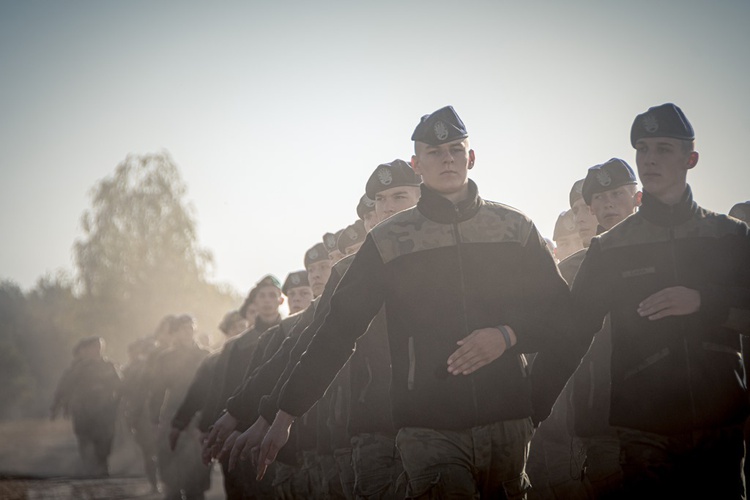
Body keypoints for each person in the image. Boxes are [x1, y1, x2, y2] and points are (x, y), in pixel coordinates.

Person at [257, 105, 574, 498]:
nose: (448, 160)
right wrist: (286, 411)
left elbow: (564, 316)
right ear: (417, 163)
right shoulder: (388, 241)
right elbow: (338, 330)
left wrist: (508, 337)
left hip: (507, 424)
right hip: (429, 429)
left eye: (456, 150)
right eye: (435, 153)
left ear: (471, 157)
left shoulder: (514, 229)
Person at [570, 103, 750, 498]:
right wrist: (530, 404)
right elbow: (568, 332)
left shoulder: (730, 237)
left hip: (720, 429)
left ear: (692, 158)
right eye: (643, 149)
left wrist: (705, 302)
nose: (650, 159)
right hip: (643, 430)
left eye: (663, 149)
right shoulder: (609, 249)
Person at [568, 158, 641, 499]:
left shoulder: (674, 256)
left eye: (616, 193)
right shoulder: (571, 271)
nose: (608, 203)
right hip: (601, 425)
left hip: (673, 422)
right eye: (598, 197)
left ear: (636, 196)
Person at [148, 314, 211, 500]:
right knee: (171, 464)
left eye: (190, 328)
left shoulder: (206, 356)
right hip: (173, 414)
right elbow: (157, 390)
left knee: (197, 471)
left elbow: (216, 388)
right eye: (182, 329)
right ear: (174, 333)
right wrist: (154, 419)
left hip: (199, 416)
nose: (187, 332)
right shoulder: (166, 358)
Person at [51, 336, 121, 477]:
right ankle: (90, 469)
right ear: (88, 350)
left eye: (99, 347)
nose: (96, 350)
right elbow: (65, 387)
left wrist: (116, 401)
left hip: (104, 412)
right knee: (85, 440)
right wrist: (57, 406)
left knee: (104, 441)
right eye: (94, 347)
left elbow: (119, 386)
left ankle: (102, 466)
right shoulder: (78, 368)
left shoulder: (108, 366)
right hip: (83, 411)